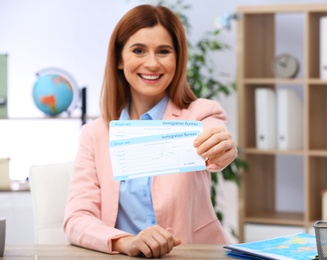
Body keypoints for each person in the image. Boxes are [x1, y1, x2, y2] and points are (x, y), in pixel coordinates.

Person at [63, 4, 238, 258]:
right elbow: (77, 218)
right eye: (138, 50)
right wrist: (125, 242)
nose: (152, 63)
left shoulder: (201, 113)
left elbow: (215, 141)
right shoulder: (95, 134)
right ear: (119, 59)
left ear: (177, 60)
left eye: (164, 51)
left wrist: (222, 149)